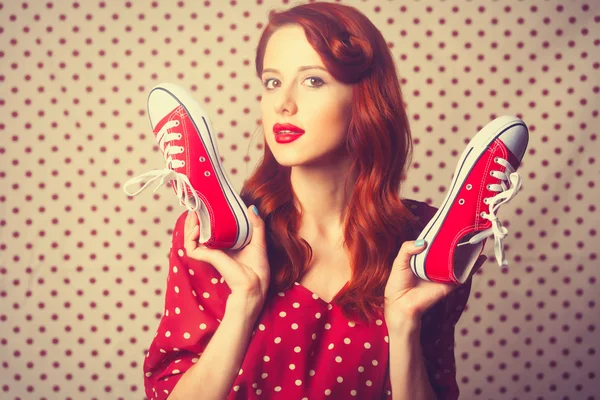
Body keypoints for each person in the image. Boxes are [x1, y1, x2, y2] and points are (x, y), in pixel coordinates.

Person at [142, 2, 484, 399]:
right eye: (272, 82)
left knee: (437, 255)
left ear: (365, 98)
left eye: (313, 81)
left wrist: (405, 322)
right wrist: (246, 300)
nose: (282, 104)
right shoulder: (213, 236)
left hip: (427, 251)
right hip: (231, 235)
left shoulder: (425, 241)